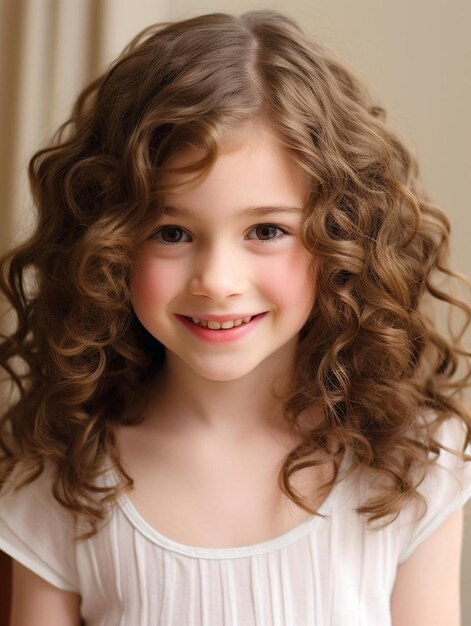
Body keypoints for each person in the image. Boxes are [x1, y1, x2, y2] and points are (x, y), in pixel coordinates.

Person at [0, 9, 470, 626]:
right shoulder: (59, 477)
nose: (217, 281)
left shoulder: (413, 464)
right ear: (106, 245)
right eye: (171, 231)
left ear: (343, 239)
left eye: (267, 230)